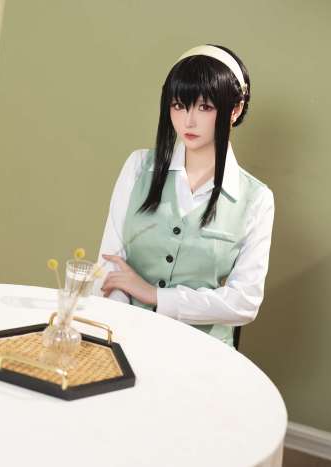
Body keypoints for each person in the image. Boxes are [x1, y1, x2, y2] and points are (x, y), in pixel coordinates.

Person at [95, 44, 275, 348]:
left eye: (204, 107)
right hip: (123, 336)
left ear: (235, 109)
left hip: (203, 352)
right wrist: (116, 336)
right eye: (179, 105)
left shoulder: (256, 199)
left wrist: (156, 295)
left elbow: (244, 301)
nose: (188, 121)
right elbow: (111, 265)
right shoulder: (139, 167)